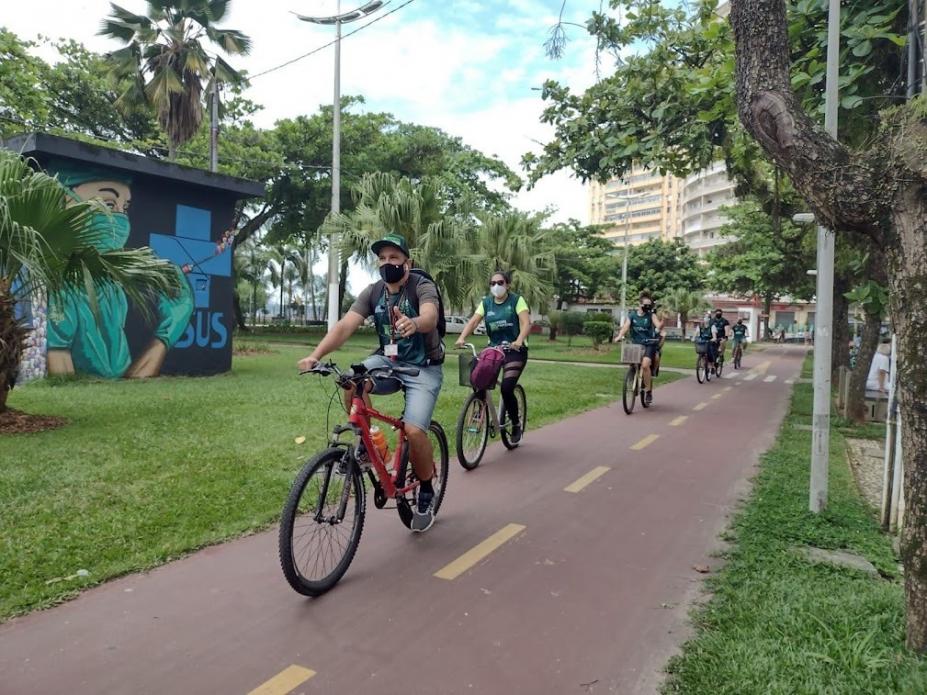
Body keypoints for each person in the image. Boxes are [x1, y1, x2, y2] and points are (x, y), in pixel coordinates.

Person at [297, 233, 443, 532]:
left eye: (394, 258)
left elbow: (429, 317)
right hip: (387, 361)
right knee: (350, 380)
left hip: (423, 368)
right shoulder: (373, 292)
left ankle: (426, 486)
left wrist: (413, 323)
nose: (387, 263)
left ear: (407, 262)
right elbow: (345, 326)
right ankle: (367, 443)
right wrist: (316, 355)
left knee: (415, 431)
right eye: (382, 258)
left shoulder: (421, 286)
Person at [456, 270, 530, 443]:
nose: (496, 286)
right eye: (492, 283)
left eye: (500, 283)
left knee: (506, 388)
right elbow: (474, 321)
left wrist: (519, 340)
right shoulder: (486, 303)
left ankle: (516, 424)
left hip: (515, 351)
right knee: (478, 378)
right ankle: (478, 409)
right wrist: (462, 337)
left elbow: (526, 323)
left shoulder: (516, 300)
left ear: (508, 285)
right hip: (494, 350)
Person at [614, 291, 663, 404]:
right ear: (640, 305)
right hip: (636, 344)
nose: (648, 307)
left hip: (649, 344)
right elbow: (626, 327)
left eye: (649, 305)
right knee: (632, 362)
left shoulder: (651, 315)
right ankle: (633, 379)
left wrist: (663, 321)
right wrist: (619, 336)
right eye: (646, 305)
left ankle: (648, 391)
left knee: (645, 365)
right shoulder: (632, 315)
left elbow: (658, 325)